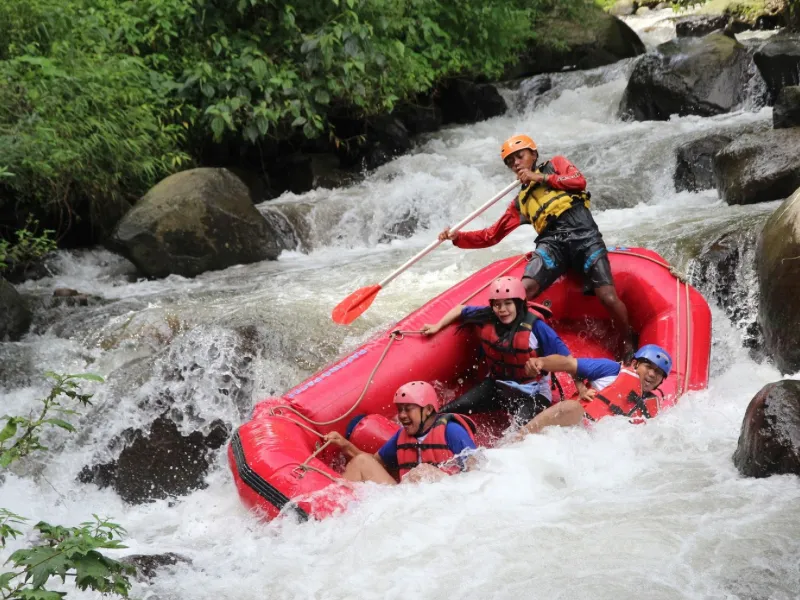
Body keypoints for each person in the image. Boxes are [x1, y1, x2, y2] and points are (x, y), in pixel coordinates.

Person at [438, 134, 634, 357]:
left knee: (607, 297)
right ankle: (509, 346)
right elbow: (491, 236)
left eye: (519, 157)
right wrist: (457, 238)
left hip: (584, 236)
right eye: (511, 162)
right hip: (552, 244)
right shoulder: (520, 201)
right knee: (521, 292)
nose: (516, 164)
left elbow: (579, 181)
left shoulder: (556, 165)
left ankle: (627, 341)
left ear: (534, 154)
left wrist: (538, 177)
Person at [421, 276, 572, 424]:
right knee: (446, 411)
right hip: (498, 385)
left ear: (519, 303)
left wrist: (581, 387)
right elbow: (461, 310)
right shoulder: (488, 316)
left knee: (519, 430)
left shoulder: (537, 327)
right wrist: (437, 326)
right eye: (497, 305)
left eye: (508, 303)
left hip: (534, 392)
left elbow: (568, 360)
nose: (502, 310)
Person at [323, 381, 477, 484]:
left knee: (422, 472)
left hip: (445, 501)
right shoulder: (402, 437)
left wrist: (441, 478)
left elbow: (480, 474)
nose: (402, 415)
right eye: (400, 410)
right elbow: (375, 463)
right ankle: (329, 513)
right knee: (361, 461)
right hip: (402, 503)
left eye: (408, 409)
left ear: (428, 409)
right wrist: (345, 445)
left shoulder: (451, 431)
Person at [515, 344, 673, 437]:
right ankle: (517, 440)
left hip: (597, 449)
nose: (652, 374)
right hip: (573, 429)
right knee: (572, 407)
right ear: (635, 364)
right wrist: (541, 362)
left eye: (659, 373)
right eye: (649, 367)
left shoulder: (654, 409)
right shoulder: (611, 370)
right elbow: (569, 364)